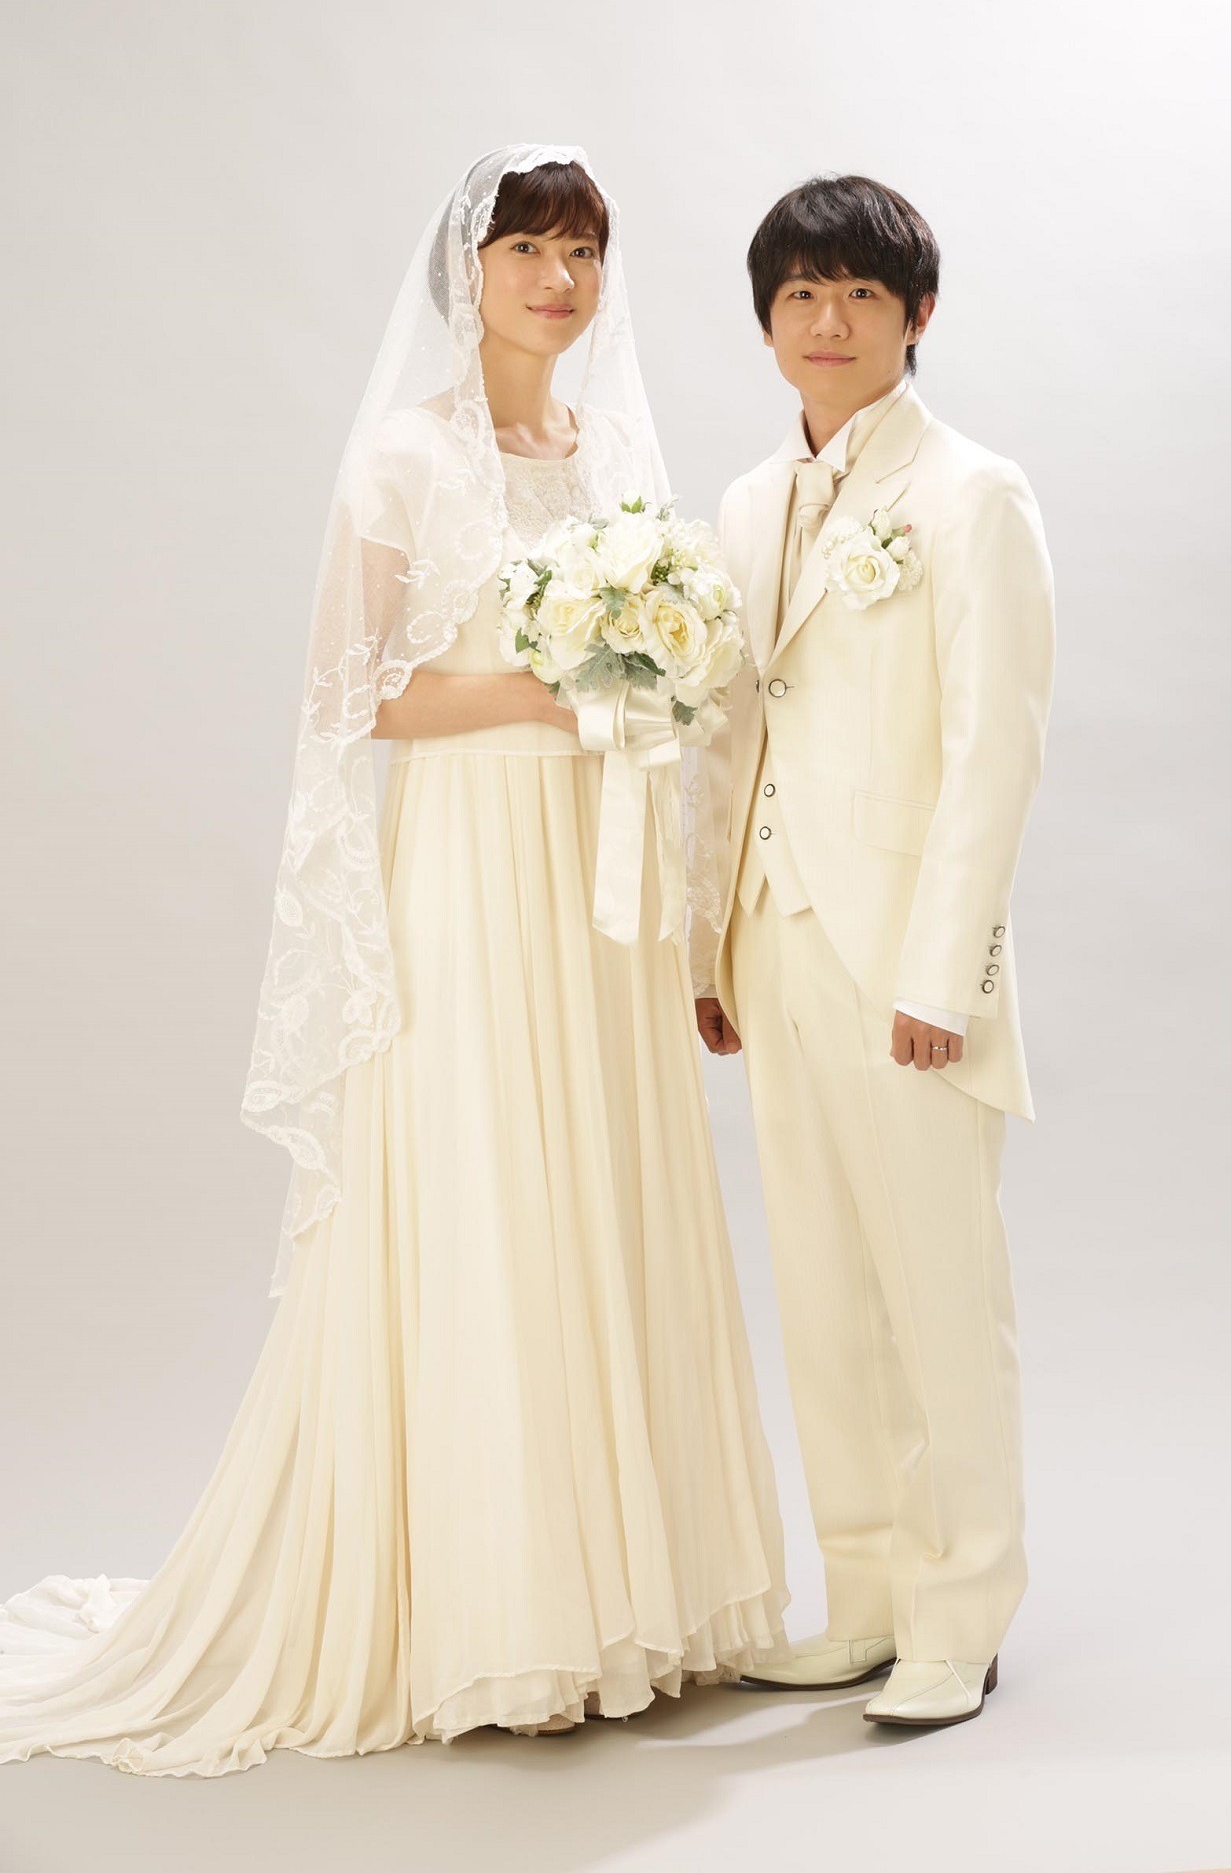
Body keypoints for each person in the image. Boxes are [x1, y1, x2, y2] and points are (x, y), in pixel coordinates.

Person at [0, 144, 787, 1773]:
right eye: (527, 250)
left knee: (606, 1184)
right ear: (466, 271)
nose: (558, 281)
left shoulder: (608, 450)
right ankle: (501, 1618)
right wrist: (559, 682)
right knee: (489, 1186)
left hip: (596, 874)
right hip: (474, 864)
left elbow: (680, 668)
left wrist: (641, 676)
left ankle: (637, 1601)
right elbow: (355, 695)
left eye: (582, 253)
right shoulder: (406, 457)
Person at [694, 173, 1055, 1729]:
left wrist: (939, 974)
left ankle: (959, 1613)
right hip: (773, 942)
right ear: (766, 322)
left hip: (904, 959)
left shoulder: (971, 495)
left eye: (857, 293)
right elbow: (728, 732)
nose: (825, 321)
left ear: (916, 314)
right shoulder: (746, 504)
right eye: (798, 294)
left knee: (937, 1293)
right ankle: (862, 1598)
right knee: (826, 1290)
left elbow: (993, 752)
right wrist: (705, 945)